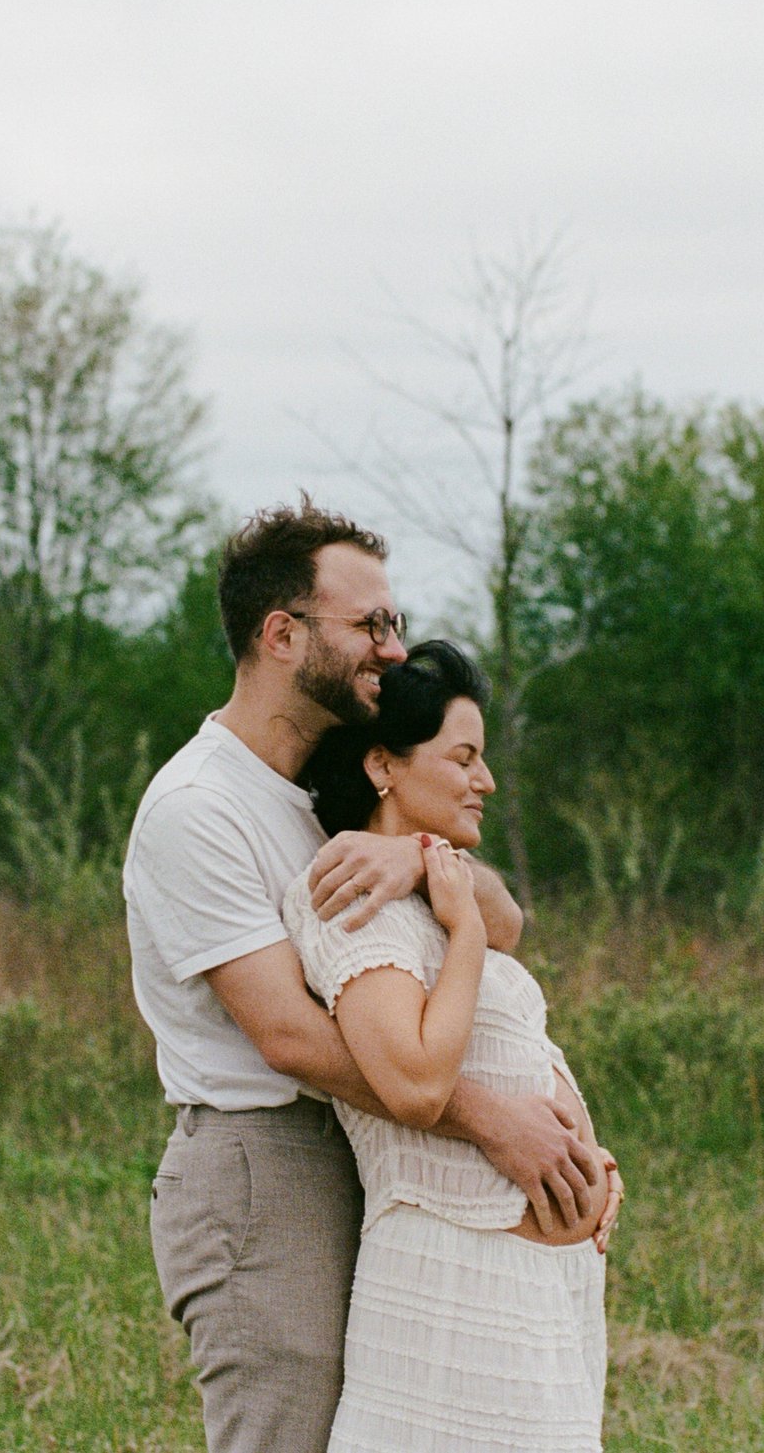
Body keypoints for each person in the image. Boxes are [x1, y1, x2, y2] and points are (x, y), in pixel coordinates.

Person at [123, 500, 609, 1453]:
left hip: (371, 1146)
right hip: (266, 1165)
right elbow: (289, 1035)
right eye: (370, 624)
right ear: (281, 634)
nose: (392, 648)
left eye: (394, 621)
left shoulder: (328, 791)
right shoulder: (198, 806)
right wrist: (491, 1119)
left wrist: (420, 855)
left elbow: (505, 923)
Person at [284, 639, 620, 1452]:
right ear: (383, 766)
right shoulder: (351, 898)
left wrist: (588, 1153)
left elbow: (513, 1014)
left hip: (539, 1295)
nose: (487, 779)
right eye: (464, 756)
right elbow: (419, 1083)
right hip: (450, 1291)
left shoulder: (435, 887)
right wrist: (465, 929)